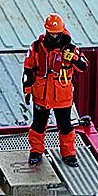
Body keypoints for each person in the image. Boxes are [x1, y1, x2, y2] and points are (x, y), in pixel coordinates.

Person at [23, 14, 88, 168]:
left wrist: (73, 58)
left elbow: (84, 66)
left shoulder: (71, 49)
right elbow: (28, 69)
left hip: (62, 95)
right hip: (41, 94)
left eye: (56, 33)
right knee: (38, 124)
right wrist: (27, 90)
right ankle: (36, 151)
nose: (53, 36)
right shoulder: (36, 47)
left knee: (65, 125)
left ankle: (68, 154)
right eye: (51, 33)